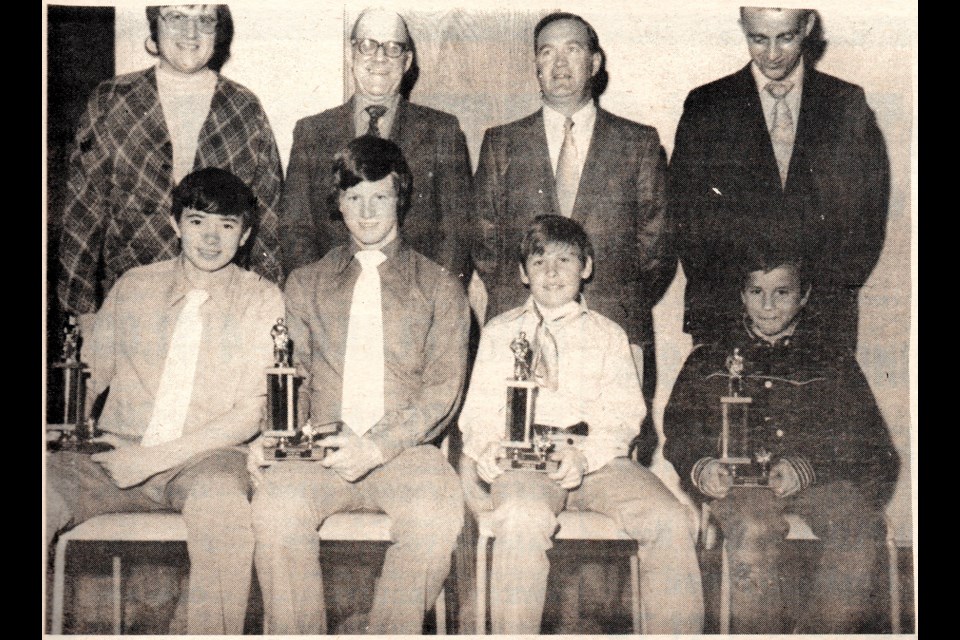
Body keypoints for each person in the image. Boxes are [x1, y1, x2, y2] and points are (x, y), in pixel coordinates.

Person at [46, 168, 284, 635]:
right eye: (197, 222)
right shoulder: (135, 285)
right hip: (114, 456)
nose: (211, 239)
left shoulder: (263, 300)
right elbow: (86, 378)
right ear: (175, 224)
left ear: (246, 234)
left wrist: (151, 460)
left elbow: (249, 413)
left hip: (206, 461)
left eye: (227, 226)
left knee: (226, 517)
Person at [250, 136, 469, 635]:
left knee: (436, 514)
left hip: (406, 453)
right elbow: (294, 376)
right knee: (276, 510)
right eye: (354, 198)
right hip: (320, 449)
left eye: (380, 197)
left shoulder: (440, 287)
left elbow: (442, 390)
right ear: (338, 203)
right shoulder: (305, 283)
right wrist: (276, 435)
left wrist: (376, 447)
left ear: (402, 199)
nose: (367, 212)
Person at [459, 214, 703, 635]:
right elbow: (478, 415)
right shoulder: (501, 333)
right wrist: (489, 450)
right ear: (522, 273)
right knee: (520, 517)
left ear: (586, 267)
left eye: (565, 260)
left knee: (671, 519)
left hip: (598, 461)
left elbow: (625, 416)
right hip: (525, 464)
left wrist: (583, 457)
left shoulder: (609, 335)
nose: (552, 273)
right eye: (539, 263)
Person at [662, 249, 899, 633]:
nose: (767, 305)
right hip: (741, 490)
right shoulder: (709, 359)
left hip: (820, 484)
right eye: (756, 292)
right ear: (742, 295)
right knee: (753, 529)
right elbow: (681, 429)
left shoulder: (832, 360)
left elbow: (867, 440)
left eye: (782, 293)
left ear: (803, 296)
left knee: (858, 528)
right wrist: (702, 466)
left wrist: (808, 466)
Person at [472, 11, 672, 463]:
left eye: (573, 50)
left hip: (612, 324)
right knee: (514, 466)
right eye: (547, 52)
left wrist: (609, 299)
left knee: (614, 471)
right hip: (522, 330)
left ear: (595, 62)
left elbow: (656, 249)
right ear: (536, 67)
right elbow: (486, 245)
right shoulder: (501, 142)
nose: (560, 64)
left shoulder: (638, 142)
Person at [670, 6, 890, 351]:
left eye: (785, 37)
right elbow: (686, 218)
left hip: (822, 317)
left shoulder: (846, 103)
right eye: (758, 39)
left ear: (808, 26)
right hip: (725, 315)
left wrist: (810, 297)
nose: (772, 55)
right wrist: (746, 297)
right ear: (742, 25)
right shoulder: (706, 105)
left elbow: (865, 220)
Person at [58, 4, 284, 322]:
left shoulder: (244, 109)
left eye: (204, 19)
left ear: (218, 31)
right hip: (131, 307)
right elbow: (82, 216)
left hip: (223, 310)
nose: (191, 32)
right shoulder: (112, 101)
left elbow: (268, 224)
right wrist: (79, 316)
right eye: (177, 16)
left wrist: (271, 319)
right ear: (155, 26)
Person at [280, 8, 472, 283]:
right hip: (332, 296)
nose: (379, 57)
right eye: (368, 45)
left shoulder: (442, 131)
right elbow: (295, 228)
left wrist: (435, 300)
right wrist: (318, 297)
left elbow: (457, 231)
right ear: (351, 53)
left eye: (393, 48)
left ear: (407, 61)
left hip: (417, 294)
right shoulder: (311, 132)